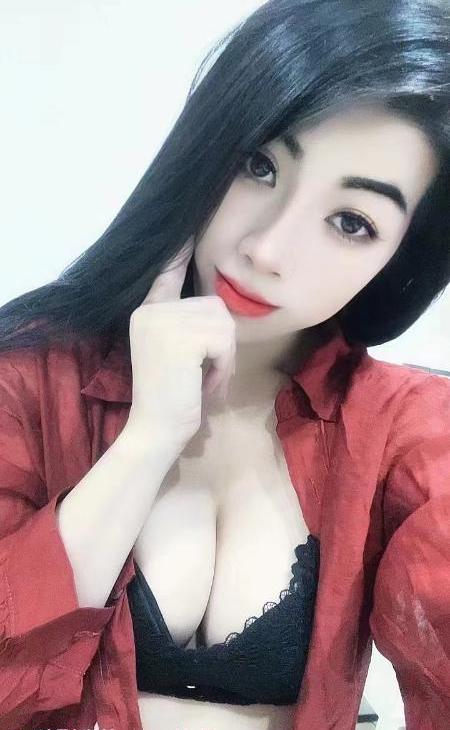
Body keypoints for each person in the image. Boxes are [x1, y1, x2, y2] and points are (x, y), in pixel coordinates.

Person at [0, 0, 449, 729]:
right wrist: (147, 440)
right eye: (259, 166)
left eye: (351, 222)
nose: (266, 249)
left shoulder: (406, 433)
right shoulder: (31, 377)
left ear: (400, 259)